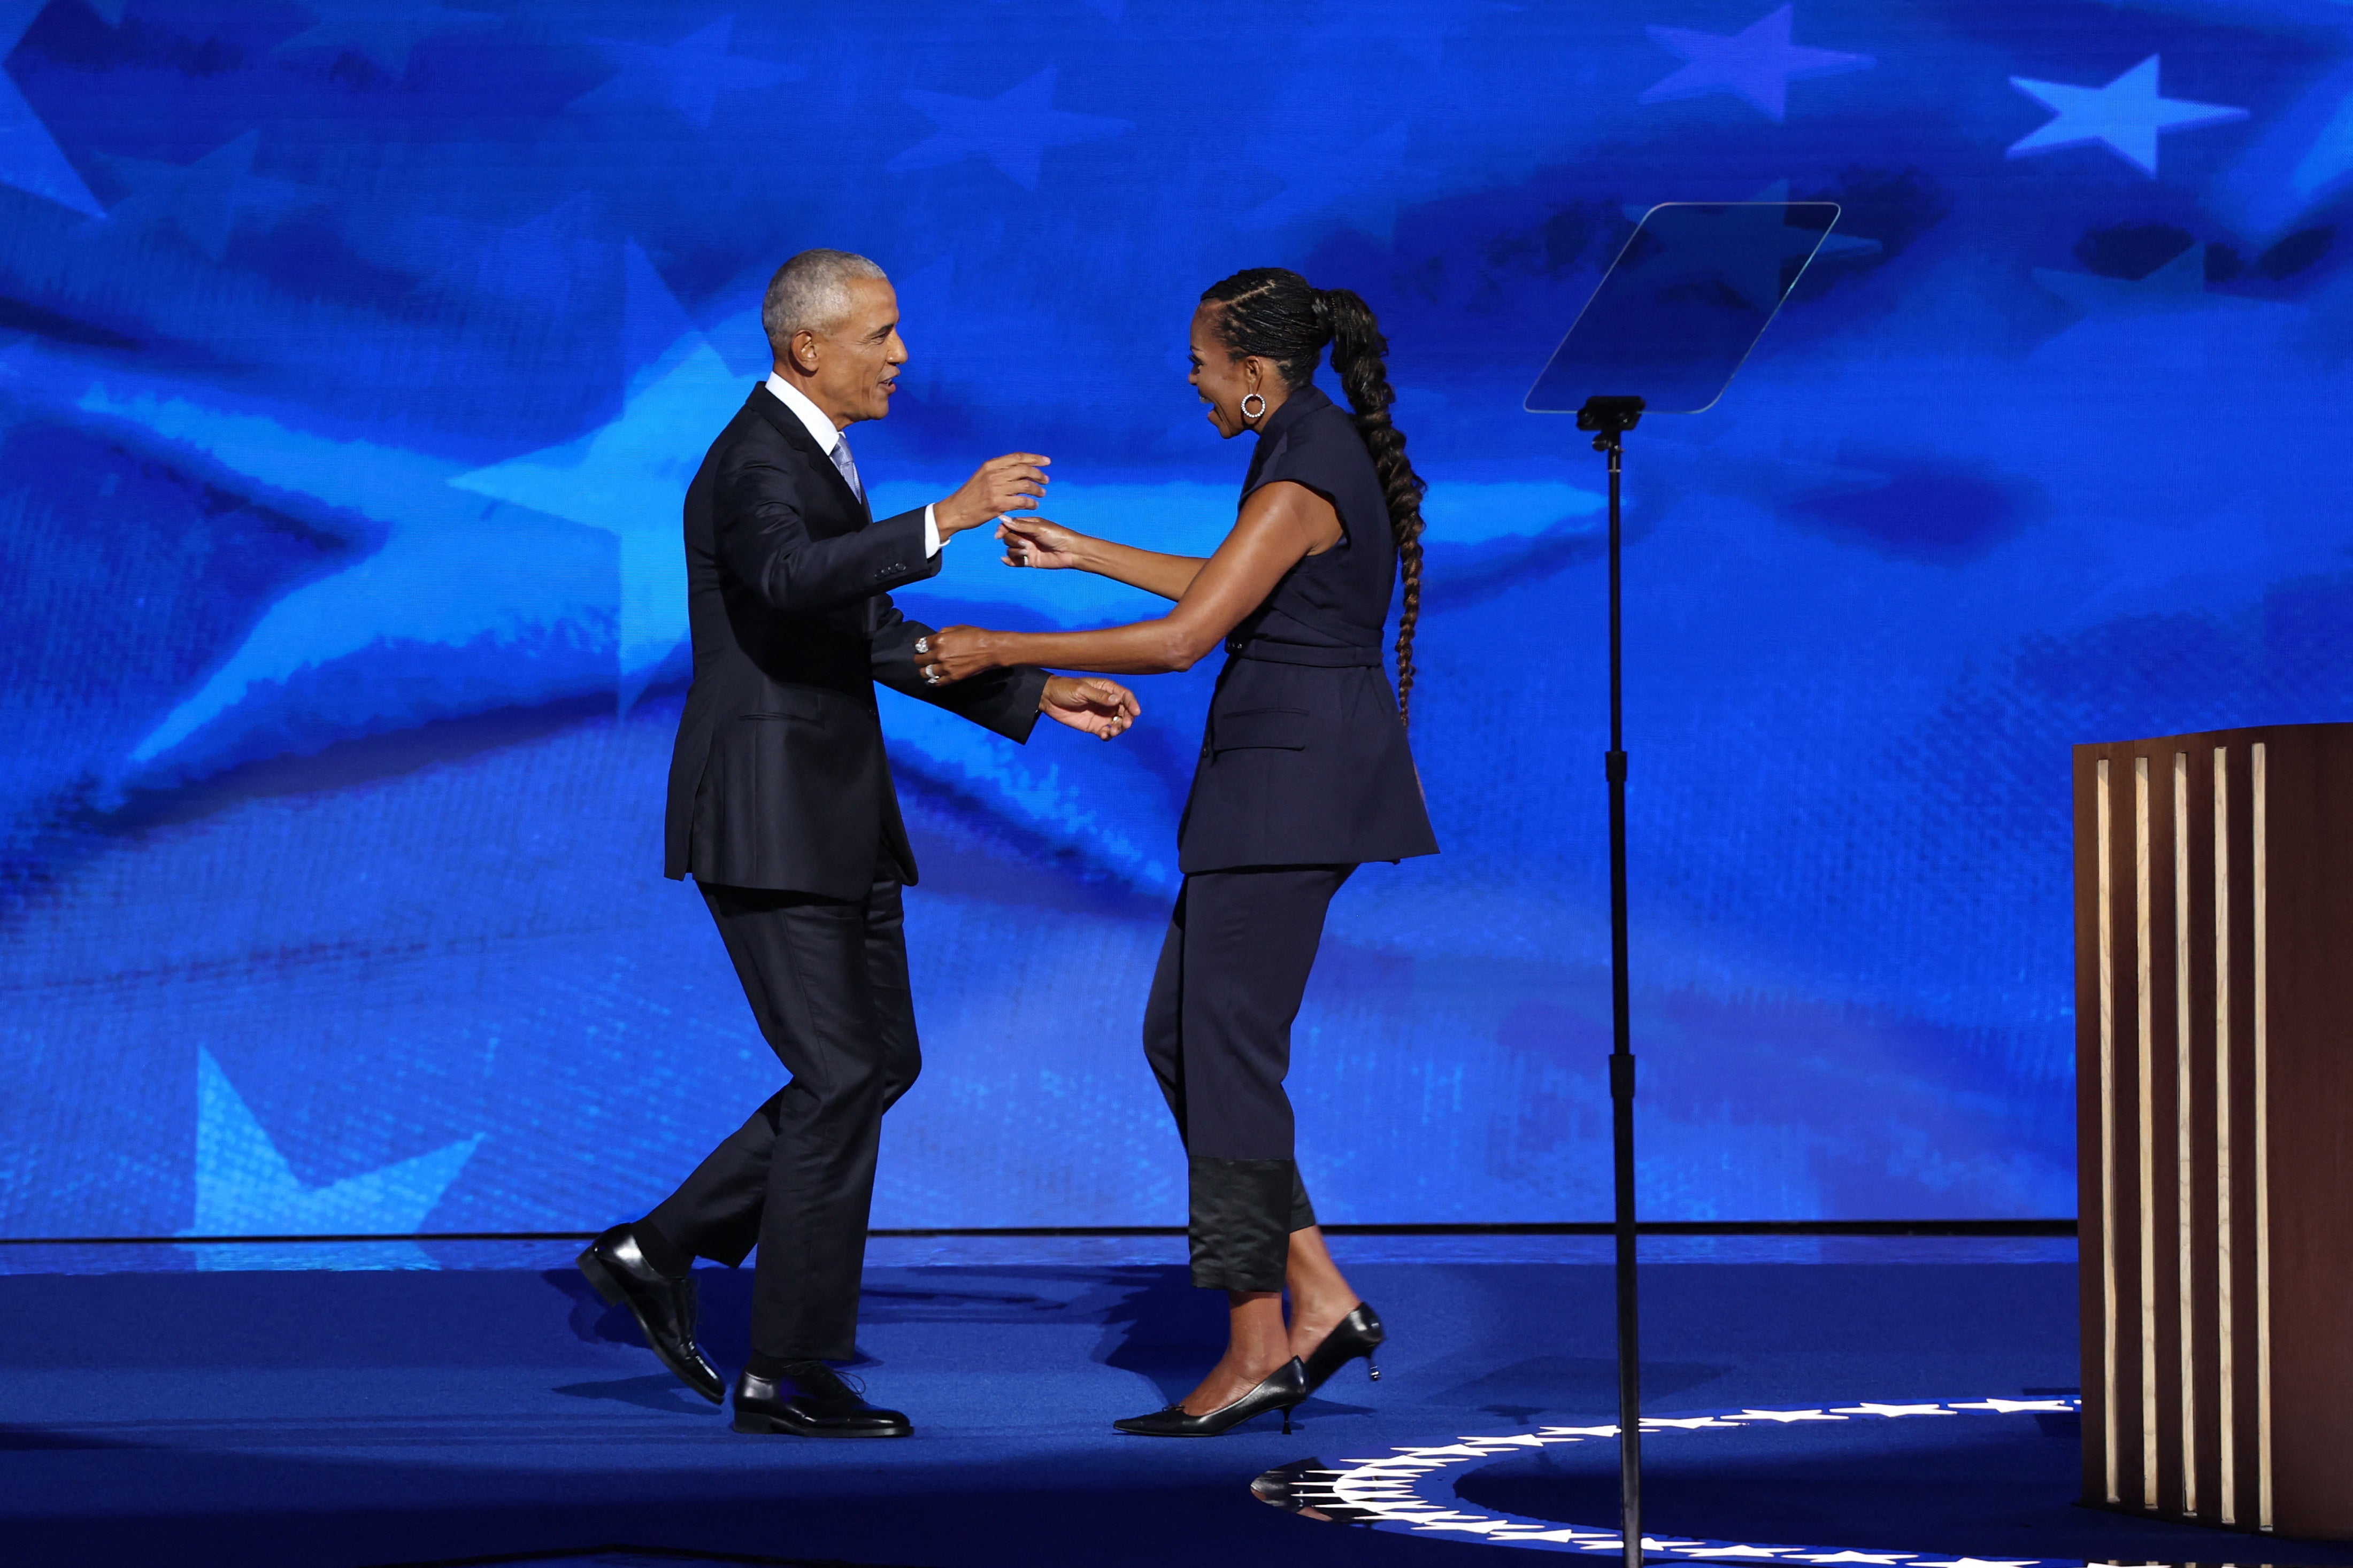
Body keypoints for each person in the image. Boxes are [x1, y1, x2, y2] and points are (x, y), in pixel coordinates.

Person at [576, 249, 1142, 1440]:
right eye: (879, 334)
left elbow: (870, 632)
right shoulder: (753, 464)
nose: (899, 355)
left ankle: (659, 1247)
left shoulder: (815, 460)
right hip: (768, 819)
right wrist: (947, 516)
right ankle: (785, 1371)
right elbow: (787, 582)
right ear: (807, 349)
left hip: (834, 819)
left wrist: (1033, 697)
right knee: (843, 1076)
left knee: (877, 1063)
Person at [918, 267, 1438, 1436]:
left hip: (1289, 791)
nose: (1193, 380)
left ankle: (1261, 1337)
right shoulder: (1302, 444)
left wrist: (1000, 646)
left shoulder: (1307, 459)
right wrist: (1082, 553)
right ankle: (1321, 1298)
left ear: (1255, 376)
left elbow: (1191, 635)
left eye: (1203, 365)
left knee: (1225, 1054)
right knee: (1186, 1040)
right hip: (1283, 785)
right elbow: (1235, 587)